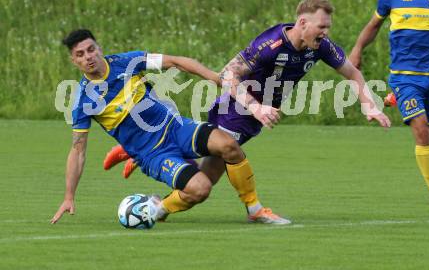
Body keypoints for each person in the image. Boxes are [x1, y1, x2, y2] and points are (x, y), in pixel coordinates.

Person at [104, 0, 391, 202]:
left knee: (209, 170)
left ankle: (136, 155)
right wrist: (256, 106)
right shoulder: (270, 44)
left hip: (257, 113)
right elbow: (229, 74)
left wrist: (369, 105)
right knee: (210, 172)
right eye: (322, 27)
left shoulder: (320, 47)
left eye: (328, 27)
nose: (326, 33)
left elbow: (353, 73)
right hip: (235, 108)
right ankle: (247, 209)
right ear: (303, 22)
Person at [51, 29, 290, 225]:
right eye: (80, 54)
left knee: (229, 145)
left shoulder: (126, 62)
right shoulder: (83, 101)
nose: (88, 57)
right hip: (153, 154)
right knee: (200, 190)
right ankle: (158, 207)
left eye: (91, 49)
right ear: (74, 60)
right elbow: (78, 150)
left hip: (176, 128)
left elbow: (176, 62)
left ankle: (255, 209)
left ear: (99, 48)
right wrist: (69, 196)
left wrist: (215, 79)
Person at [349, 0, 429, 207]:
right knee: (420, 130)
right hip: (405, 76)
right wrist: (356, 50)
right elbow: (373, 26)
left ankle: (394, 99)